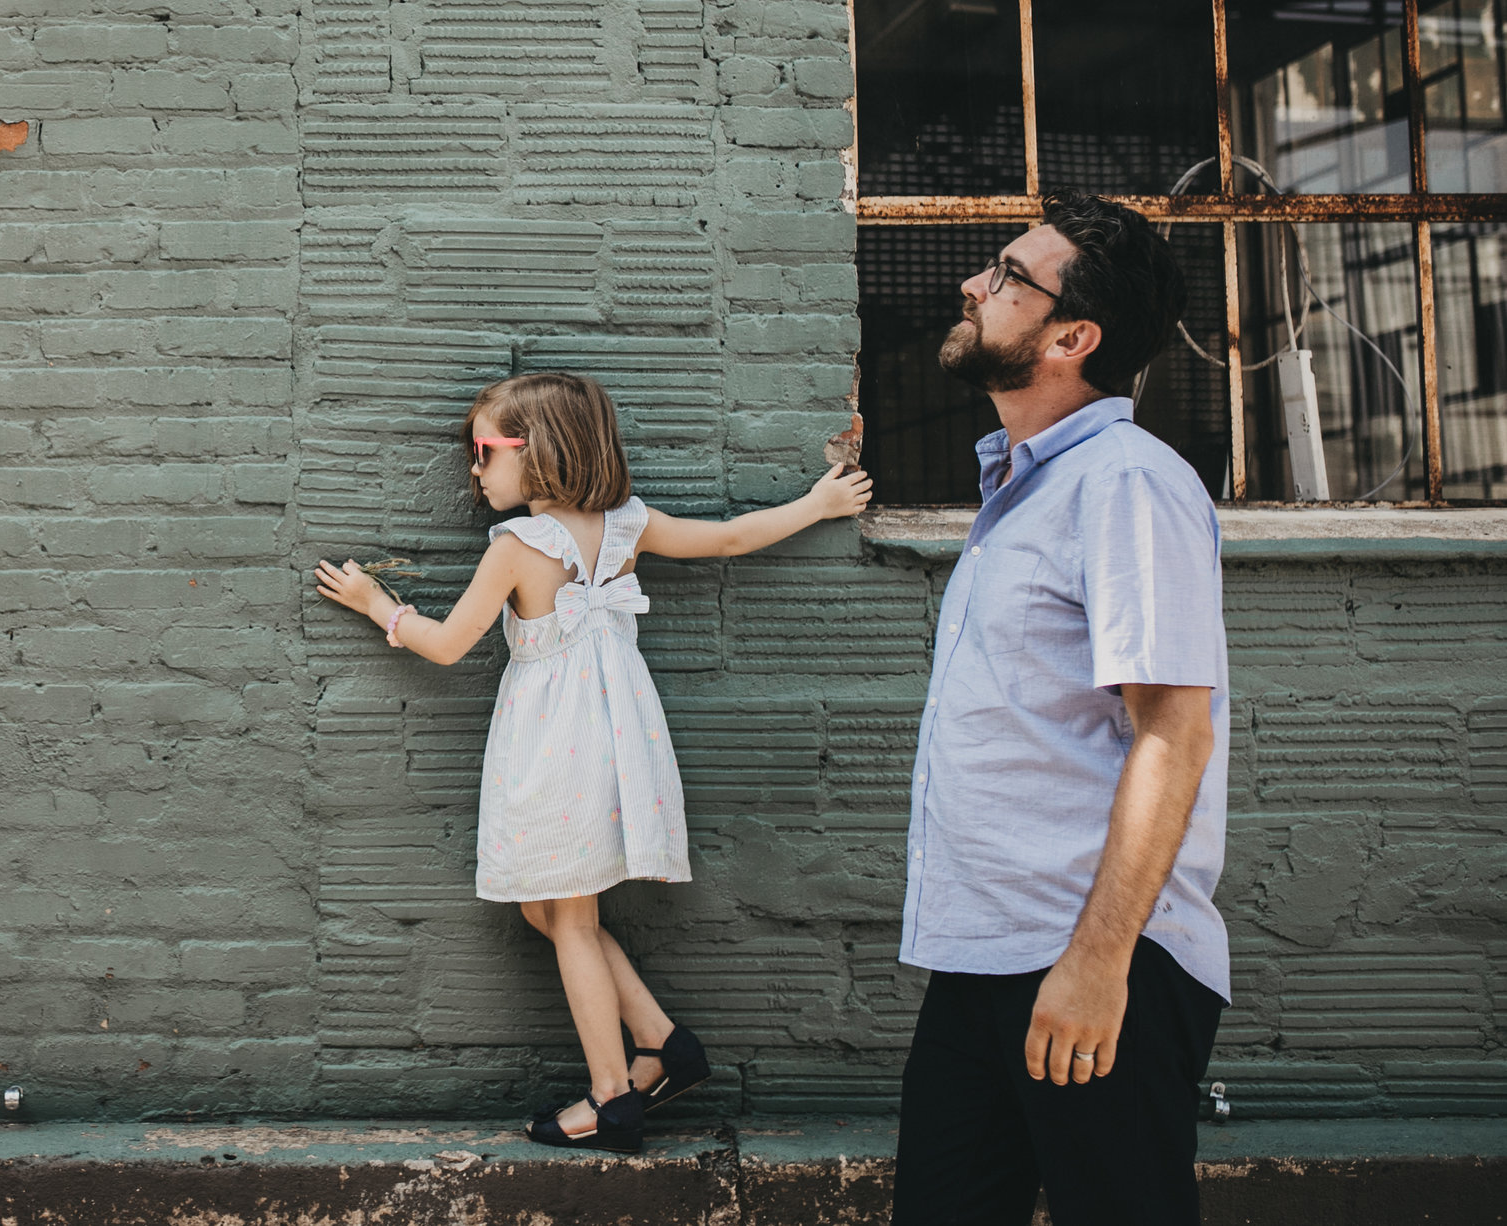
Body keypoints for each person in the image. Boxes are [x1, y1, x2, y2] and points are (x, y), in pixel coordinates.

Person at [315, 371, 872, 1155]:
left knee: (570, 917)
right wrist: (815, 507)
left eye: (483, 451)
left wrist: (378, 603)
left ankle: (614, 1099)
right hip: (616, 738)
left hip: (551, 746)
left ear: (535, 451)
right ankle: (663, 1046)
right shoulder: (627, 526)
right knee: (544, 908)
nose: (474, 470)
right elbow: (731, 538)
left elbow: (446, 645)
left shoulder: (518, 548)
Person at [893, 191, 1231, 1226]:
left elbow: (1171, 732)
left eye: (1004, 275)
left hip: (1088, 963)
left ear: (1069, 337)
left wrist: (1095, 964)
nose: (973, 284)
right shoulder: (1025, 490)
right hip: (984, 960)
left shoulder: (1124, 483)